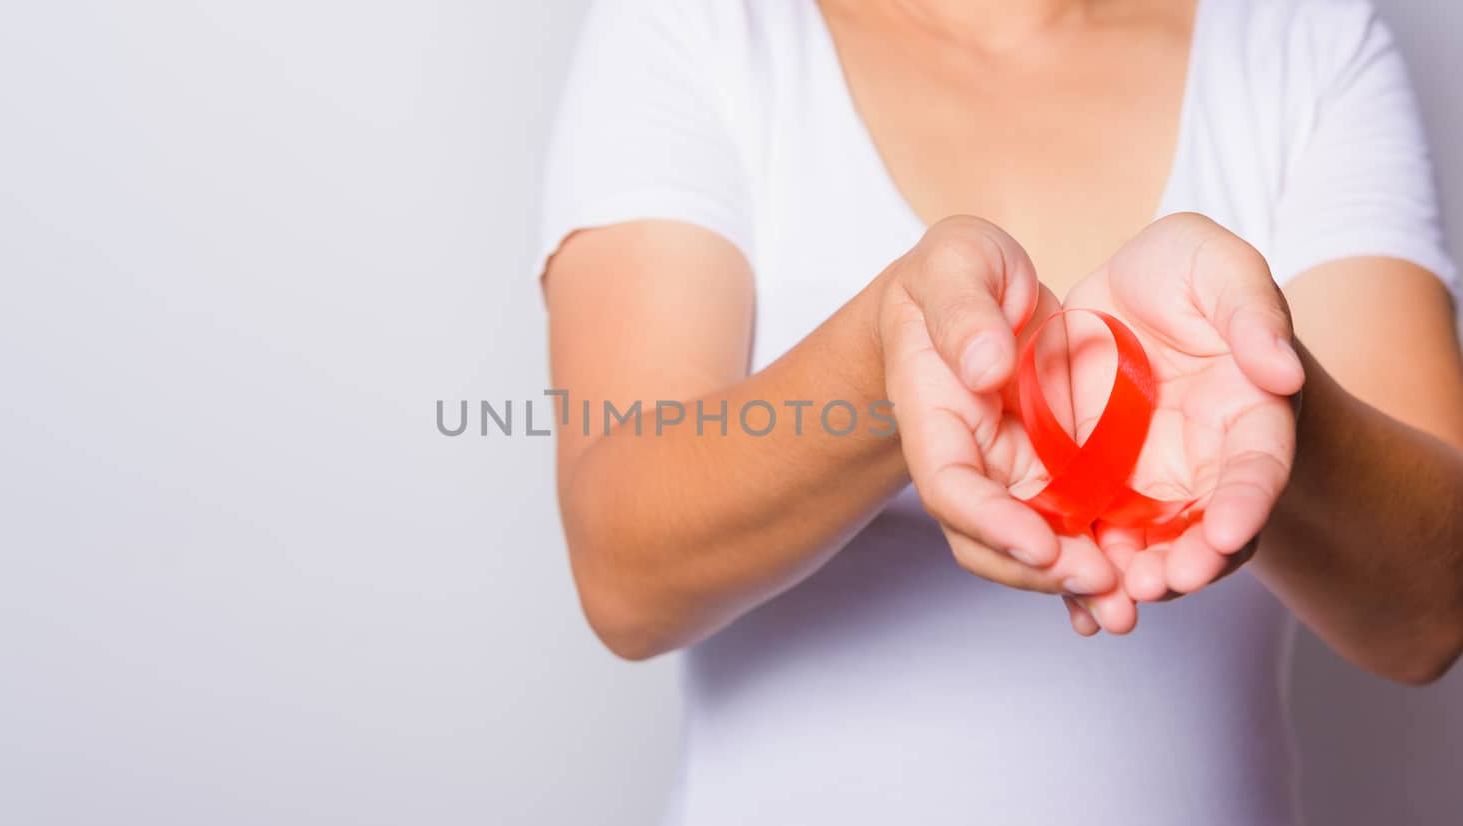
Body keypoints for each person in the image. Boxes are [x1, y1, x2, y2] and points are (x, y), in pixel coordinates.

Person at [535, 0, 1463, 823]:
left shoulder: (1306, 40)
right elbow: (622, 574)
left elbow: (1432, 614)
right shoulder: (698, 27)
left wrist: (1274, 389)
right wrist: (887, 359)